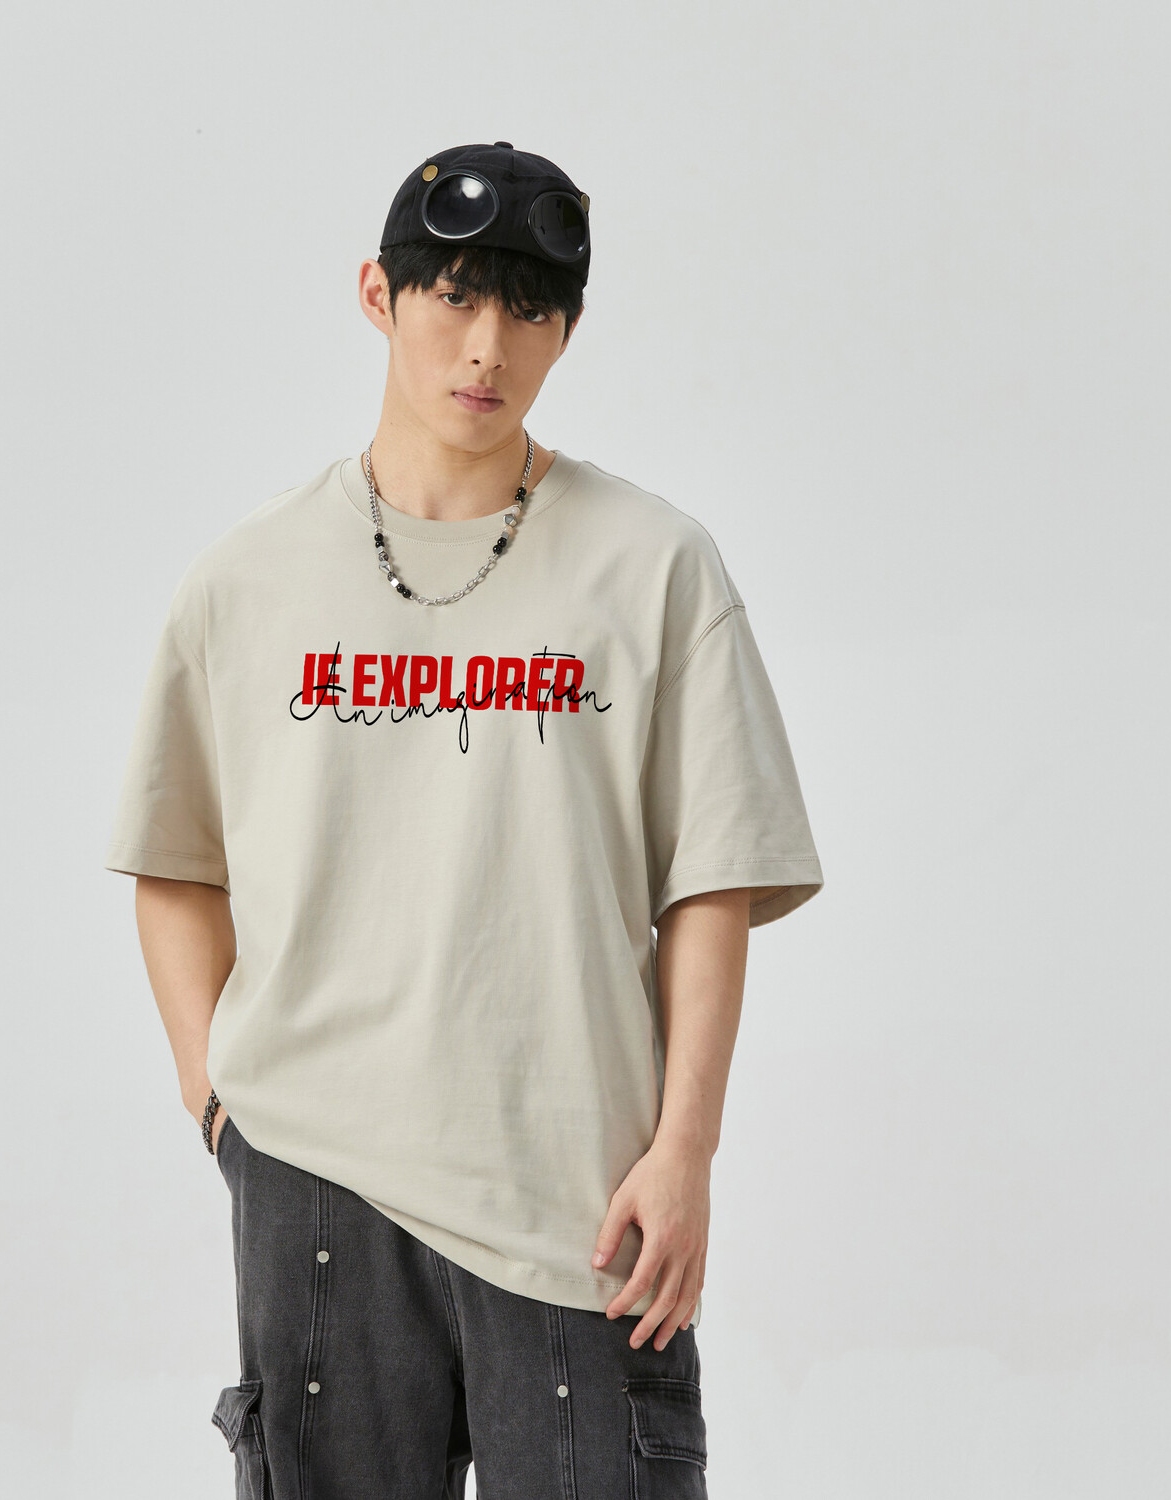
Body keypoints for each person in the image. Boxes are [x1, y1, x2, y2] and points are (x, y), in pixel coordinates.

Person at [104, 141, 824, 1498]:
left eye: (531, 311)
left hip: (580, 1194)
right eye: (455, 299)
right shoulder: (249, 580)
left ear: (568, 331)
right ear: (379, 295)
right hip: (316, 1175)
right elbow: (174, 860)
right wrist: (222, 1112)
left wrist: (686, 1149)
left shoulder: (654, 566)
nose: (489, 347)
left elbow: (713, 883)